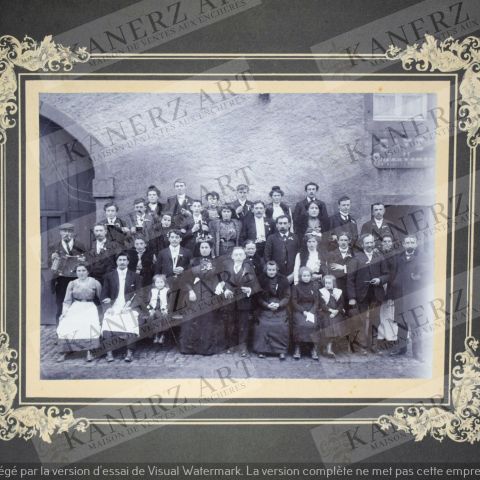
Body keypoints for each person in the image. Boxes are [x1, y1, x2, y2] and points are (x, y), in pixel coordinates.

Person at [179, 240, 225, 355]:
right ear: (199, 249)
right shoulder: (193, 262)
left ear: (210, 249)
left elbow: (222, 277)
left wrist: (220, 285)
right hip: (195, 293)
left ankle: (205, 348)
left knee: (207, 319)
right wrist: (190, 291)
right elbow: (185, 280)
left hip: (210, 292)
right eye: (202, 247)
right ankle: (189, 347)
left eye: (206, 247)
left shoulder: (216, 262)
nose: (204, 249)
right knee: (190, 319)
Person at [347, 234, 389, 354]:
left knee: (375, 320)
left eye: (371, 242)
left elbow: (387, 274)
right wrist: (352, 297)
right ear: (362, 244)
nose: (370, 245)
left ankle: (374, 346)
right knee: (360, 320)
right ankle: (362, 346)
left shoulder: (379, 256)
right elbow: (350, 279)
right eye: (367, 243)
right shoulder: (356, 258)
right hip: (361, 295)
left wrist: (380, 280)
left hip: (376, 293)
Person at [100, 252, 143, 363]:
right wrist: (108, 307)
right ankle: (109, 352)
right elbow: (104, 295)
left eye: (124, 260)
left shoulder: (135, 276)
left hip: (129, 306)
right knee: (108, 319)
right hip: (113, 306)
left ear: (128, 262)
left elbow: (139, 295)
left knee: (131, 320)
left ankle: (129, 352)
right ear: (116, 262)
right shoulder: (109, 276)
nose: (122, 262)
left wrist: (131, 306)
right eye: (120, 260)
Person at [56, 263, 102, 362]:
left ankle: (89, 351)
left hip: (90, 307)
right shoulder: (72, 283)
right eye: (79, 271)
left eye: (83, 270)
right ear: (76, 272)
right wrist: (64, 313)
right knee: (67, 324)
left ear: (88, 272)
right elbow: (67, 300)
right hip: (76, 306)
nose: (81, 273)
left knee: (88, 327)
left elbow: (101, 298)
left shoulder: (95, 283)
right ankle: (65, 351)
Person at [389, 236, 426, 358]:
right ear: (404, 245)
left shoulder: (422, 257)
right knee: (401, 322)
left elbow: (429, 274)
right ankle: (401, 348)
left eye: (412, 242)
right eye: (407, 242)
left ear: (416, 244)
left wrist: (420, 277)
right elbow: (392, 275)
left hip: (415, 296)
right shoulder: (398, 258)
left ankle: (418, 351)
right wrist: (394, 286)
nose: (410, 244)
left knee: (415, 323)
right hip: (400, 295)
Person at [219, 247, 258, 356]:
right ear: (232, 256)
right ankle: (231, 345)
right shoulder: (227, 268)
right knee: (230, 323)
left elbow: (255, 284)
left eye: (241, 254)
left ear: (245, 256)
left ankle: (243, 346)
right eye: (236, 255)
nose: (238, 257)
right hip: (230, 300)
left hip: (244, 301)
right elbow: (221, 282)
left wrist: (249, 290)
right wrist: (225, 290)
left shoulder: (249, 268)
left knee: (243, 324)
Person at [49, 223, 86, 326]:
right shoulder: (54, 246)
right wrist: (52, 258)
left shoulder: (80, 245)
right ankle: (60, 330)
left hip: (76, 279)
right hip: (61, 280)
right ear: (60, 233)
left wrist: (83, 260)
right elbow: (48, 263)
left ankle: (76, 329)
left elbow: (86, 261)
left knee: (77, 304)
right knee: (61, 305)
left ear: (73, 233)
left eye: (69, 231)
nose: (67, 234)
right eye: (64, 231)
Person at [154, 230, 195, 321]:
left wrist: (183, 269)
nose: (174, 239)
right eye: (172, 237)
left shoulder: (187, 252)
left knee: (182, 308)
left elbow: (192, 267)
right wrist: (157, 284)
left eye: (177, 237)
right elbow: (157, 270)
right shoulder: (162, 253)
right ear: (169, 239)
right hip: (166, 283)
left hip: (183, 283)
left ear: (180, 239)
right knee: (166, 308)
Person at [253, 261, 290, 360]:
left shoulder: (283, 280)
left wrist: (279, 304)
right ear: (266, 270)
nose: (271, 272)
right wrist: (267, 305)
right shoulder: (261, 279)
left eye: (273, 270)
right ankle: (262, 350)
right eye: (269, 270)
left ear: (276, 270)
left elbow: (287, 296)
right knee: (263, 324)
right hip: (265, 307)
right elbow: (258, 298)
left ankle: (281, 351)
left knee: (281, 325)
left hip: (280, 308)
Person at [291, 267, 319, 360]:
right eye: (304, 276)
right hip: (300, 310)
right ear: (300, 276)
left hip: (311, 310)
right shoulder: (296, 287)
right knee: (300, 325)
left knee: (312, 325)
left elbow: (316, 302)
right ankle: (297, 347)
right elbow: (294, 301)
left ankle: (313, 348)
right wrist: (303, 311)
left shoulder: (315, 286)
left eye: (308, 276)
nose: (306, 277)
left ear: (311, 276)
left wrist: (311, 312)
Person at [318, 274, 349, 358]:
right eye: (326, 283)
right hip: (325, 312)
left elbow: (341, 304)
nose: (327, 285)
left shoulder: (338, 291)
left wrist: (336, 311)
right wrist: (331, 311)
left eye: (329, 283)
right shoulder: (322, 291)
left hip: (337, 312)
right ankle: (327, 348)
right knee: (329, 322)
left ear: (333, 284)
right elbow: (322, 304)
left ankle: (329, 347)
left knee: (336, 322)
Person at [264, 215, 299, 283]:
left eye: (285, 223)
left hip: (292, 273)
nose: (282, 225)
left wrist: (294, 273)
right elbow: (267, 256)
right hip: (276, 274)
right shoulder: (271, 238)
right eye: (280, 223)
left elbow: (298, 255)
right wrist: (273, 271)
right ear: (277, 225)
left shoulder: (295, 238)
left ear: (289, 224)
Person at [377, 234, 398, 347]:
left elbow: (396, 273)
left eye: (389, 241)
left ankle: (391, 338)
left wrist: (391, 288)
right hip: (380, 286)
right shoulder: (378, 255)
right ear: (381, 243)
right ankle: (381, 337)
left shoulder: (396, 256)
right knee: (381, 313)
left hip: (391, 287)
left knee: (390, 313)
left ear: (392, 243)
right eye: (384, 241)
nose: (387, 243)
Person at [142, 274, 173, 345]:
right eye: (157, 282)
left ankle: (162, 335)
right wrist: (150, 309)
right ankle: (154, 334)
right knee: (151, 316)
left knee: (164, 317)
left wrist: (166, 309)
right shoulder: (152, 291)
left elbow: (170, 302)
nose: (159, 284)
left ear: (165, 283)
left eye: (161, 282)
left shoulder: (167, 291)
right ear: (154, 283)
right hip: (154, 309)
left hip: (164, 309)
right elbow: (148, 301)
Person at [326, 232, 354, 296]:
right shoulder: (331, 254)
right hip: (336, 284)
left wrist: (343, 268)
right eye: (341, 240)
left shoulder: (353, 253)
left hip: (350, 284)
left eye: (345, 240)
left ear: (349, 241)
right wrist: (348, 268)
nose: (343, 242)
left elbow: (355, 268)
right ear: (338, 241)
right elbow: (332, 268)